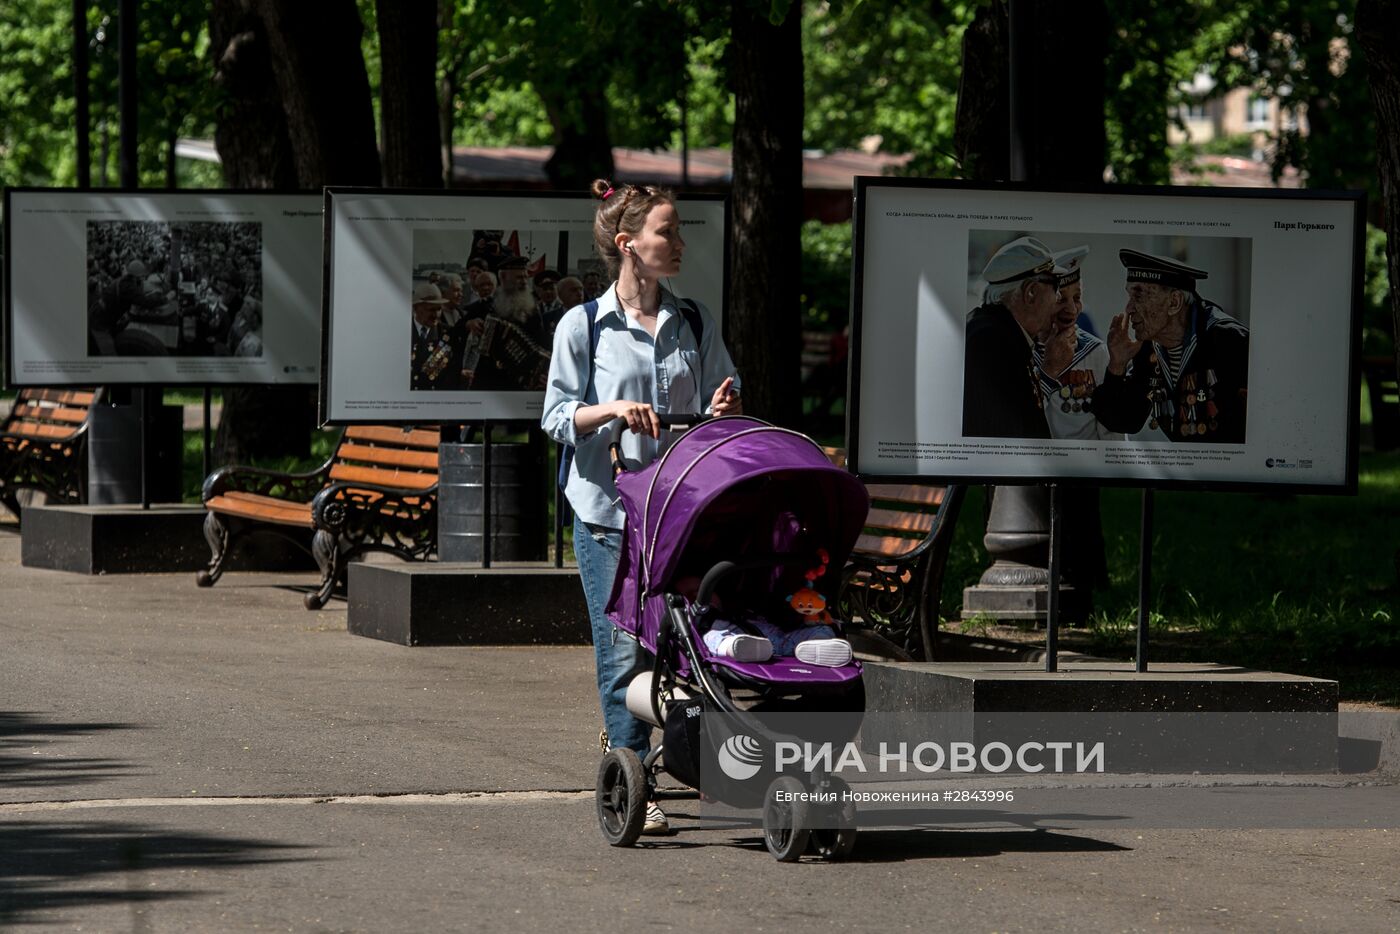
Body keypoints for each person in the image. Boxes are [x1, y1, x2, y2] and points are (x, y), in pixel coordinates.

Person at [541, 179, 742, 836]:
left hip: (680, 515)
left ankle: (689, 761)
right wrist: (612, 412)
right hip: (607, 513)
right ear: (629, 245)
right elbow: (556, 415)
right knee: (624, 649)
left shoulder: (694, 321)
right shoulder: (584, 325)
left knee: (684, 647)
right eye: (668, 232)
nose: (680, 243)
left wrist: (722, 411)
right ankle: (631, 777)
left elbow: (722, 398)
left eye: (679, 231)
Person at [1094, 249, 1250, 443]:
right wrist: (1117, 365)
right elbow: (1125, 421)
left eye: (1139, 295)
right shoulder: (1150, 348)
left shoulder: (1229, 340)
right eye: (1129, 296)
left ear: (1174, 302)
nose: (1129, 308)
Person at [962, 236, 1066, 438]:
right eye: (1056, 286)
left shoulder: (998, 333)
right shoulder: (991, 343)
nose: (1059, 297)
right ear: (1031, 293)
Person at [1035, 246, 1123, 442]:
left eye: (1077, 298)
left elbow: (1112, 433)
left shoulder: (1096, 353)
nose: (1072, 309)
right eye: (1060, 299)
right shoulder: (1021, 350)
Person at [409, 281, 462, 391]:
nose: (436, 315)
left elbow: (452, 373)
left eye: (439, 309)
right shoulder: (403, 331)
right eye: (431, 310)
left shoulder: (447, 334)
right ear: (416, 308)